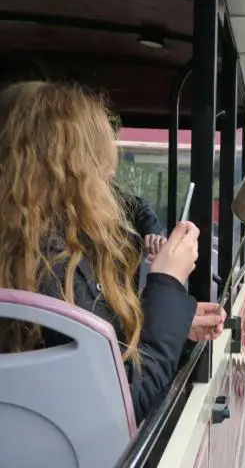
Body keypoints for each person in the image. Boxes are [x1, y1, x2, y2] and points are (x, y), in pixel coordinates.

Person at [0, 81, 224, 422]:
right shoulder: (55, 264)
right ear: (67, 169)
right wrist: (167, 280)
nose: (110, 173)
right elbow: (126, 399)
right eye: (98, 162)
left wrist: (173, 323)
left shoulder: (23, 250)